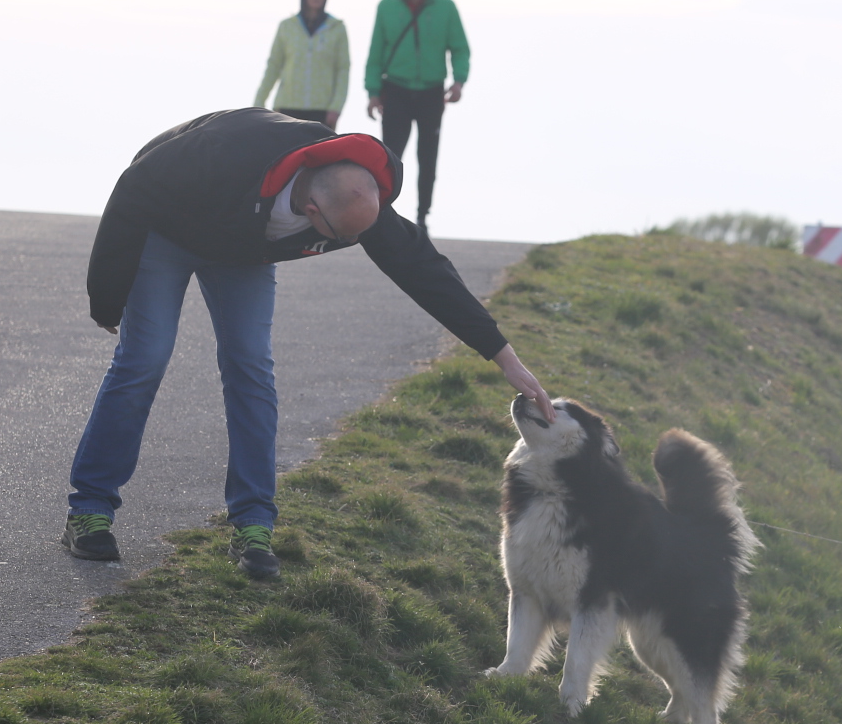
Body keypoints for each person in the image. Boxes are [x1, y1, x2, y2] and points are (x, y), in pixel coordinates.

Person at [64, 107, 552, 578]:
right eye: (340, 239)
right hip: (167, 225)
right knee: (145, 358)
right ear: (311, 210)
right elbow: (134, 190)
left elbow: (423, 270)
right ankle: (89, 511)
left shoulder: (357, 201)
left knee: (251, 368)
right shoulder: (223, 156)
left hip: (242, 251)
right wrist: (106, 299)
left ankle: (253, 526)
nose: (350, 244)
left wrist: (502, 356)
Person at [363, 0, 468, 235]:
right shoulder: (387, 7)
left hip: (431, 93)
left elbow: (459, 47)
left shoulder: (446, 8)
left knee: (428, 156)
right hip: (395, 90)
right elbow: (376, 52)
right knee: (390, 156)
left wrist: (459, 81)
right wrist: (373, 91)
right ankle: (382, 212)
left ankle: (423, 216)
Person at [255, 0, 349, 127]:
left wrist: (336, 107)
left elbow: (343, 70)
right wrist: (259, 102)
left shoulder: (337, 29)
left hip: (322, 111)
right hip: (286, 108)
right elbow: (274, 66)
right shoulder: (287, 26)